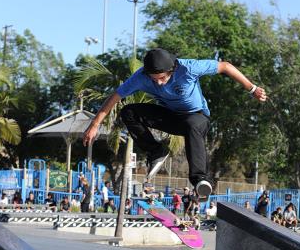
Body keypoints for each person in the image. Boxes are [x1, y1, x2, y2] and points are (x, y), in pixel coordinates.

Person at [83, 48, 267, 200]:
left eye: (163, 78)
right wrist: (94, 124)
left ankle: (200, 179)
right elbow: (116, 96)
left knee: (193, 124)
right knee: (128, 112)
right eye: (155, 80)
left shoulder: (189, 67)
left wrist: (252, 89)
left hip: (197, 117)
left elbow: (225, 66)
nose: (160, 84)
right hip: (171, 117)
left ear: (172, 70)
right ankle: (156, 150)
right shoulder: (141, 77)